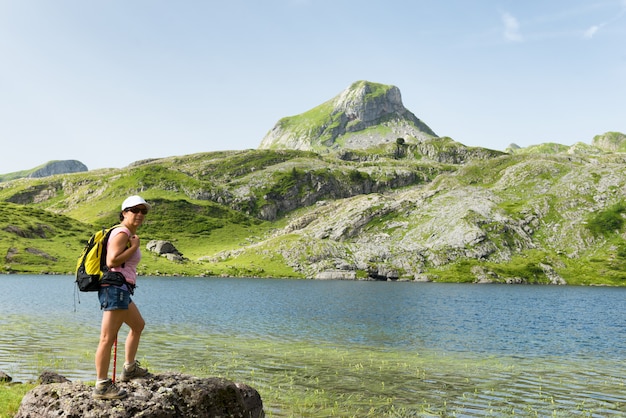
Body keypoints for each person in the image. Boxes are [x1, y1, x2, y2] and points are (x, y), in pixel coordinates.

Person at [93, 195, 151, 400]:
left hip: (121, 289)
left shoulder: (128, 234)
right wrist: (134, 247)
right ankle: (101, 386)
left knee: (138, 325)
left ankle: (129, 368)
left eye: (144, 211)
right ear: (124, 212)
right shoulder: (122, 232)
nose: (140, 214)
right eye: (135, 210)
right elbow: (112, 261)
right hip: (114, 288)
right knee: (107, 338)